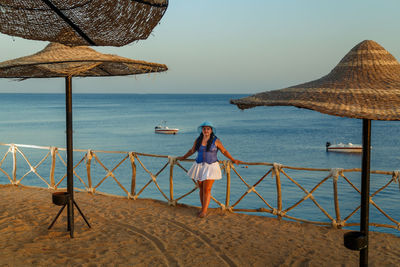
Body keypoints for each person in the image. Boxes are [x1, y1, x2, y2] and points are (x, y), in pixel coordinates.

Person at [177, 121, 241, 218]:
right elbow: (192, 150)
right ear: (202, 130)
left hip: (211, 166)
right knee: (201, 188)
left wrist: (233, 159)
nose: (206, 130)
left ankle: (204, 211)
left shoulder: (216, 140)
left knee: (207, 189)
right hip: (199, 166)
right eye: (204, 129)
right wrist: (183, 157)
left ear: (211, 130)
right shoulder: (198, 140)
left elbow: (224, 151)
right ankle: (203, 208)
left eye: (208, 129)